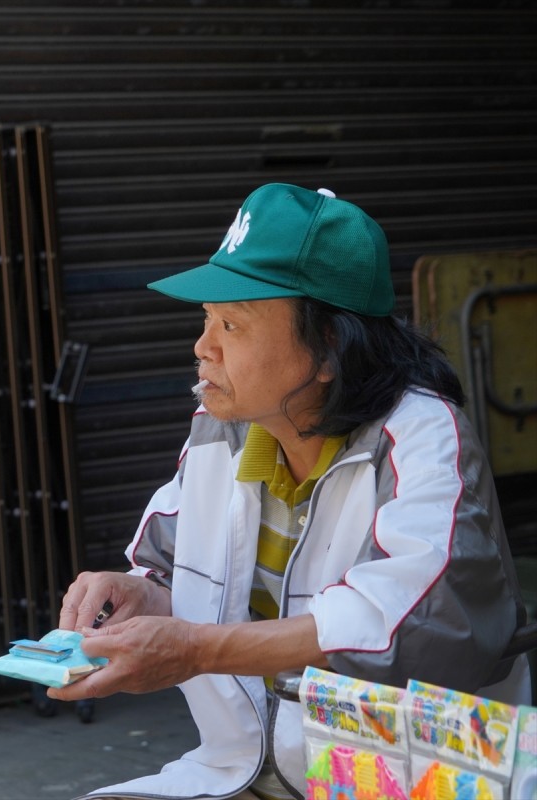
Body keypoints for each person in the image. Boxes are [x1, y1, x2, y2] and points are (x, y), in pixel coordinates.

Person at [49, 183, 530, 799]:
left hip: (418, 779)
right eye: (205, 320)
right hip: (247, 771)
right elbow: (174, 575)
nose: (204, 347)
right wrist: (140, 598)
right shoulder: (219, 431)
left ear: (329, 346)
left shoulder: (419, 433)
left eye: (232, 324)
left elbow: (409, 623)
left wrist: (195, 650)